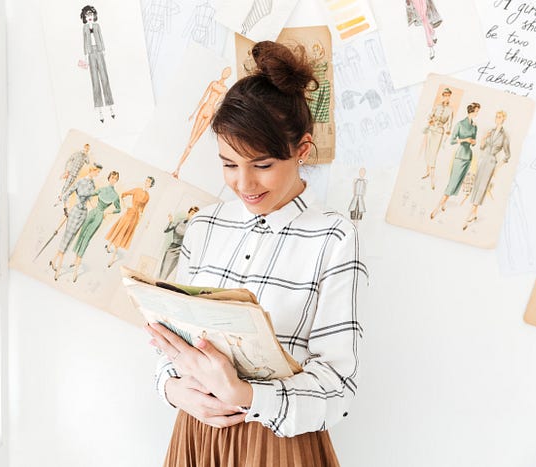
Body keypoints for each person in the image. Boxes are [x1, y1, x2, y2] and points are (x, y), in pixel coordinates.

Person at [146, 41, 368, 466]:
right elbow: (172, 347)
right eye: (229, 164)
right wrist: (173, 390)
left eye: (262, 165)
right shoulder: (204, 226)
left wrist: (245, 395)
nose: (244, 184)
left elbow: (337, 388)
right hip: (196, 435)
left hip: (276, 445)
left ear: (302, 150)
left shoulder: (333, 237)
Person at [172, 67, 231, 178]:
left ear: (228, 76)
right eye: (225, 71)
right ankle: (177, 168)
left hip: (210, 112)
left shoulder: (225, 89)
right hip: (203, 109)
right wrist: (193, 113)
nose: (225, 74)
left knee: (193, 142)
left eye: (228, 73)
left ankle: (177, 169)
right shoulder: (213, 83)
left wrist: (213, 120)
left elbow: (218, 106)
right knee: (190, 140)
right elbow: (203, 97)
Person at [50, 164, 102, 281]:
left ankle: (53, 261)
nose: (98, 174)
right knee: (67, 238)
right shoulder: (80, 181)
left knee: (70, 239)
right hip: (75, 212)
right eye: (97, 172)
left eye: (99, 173)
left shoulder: (93, 184)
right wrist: (66, 209)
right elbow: (66, 195)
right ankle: (58, 270)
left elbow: (89, 199)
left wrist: (97, 211)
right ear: (92, 170)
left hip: (83, 214)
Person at [430, 102, 480, 220]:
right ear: (471, 111)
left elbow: (474, 142)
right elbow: (452, 141)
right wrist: (464, 140)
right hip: (460, 156)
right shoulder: (460, 124)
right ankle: (437, 207)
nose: (477, 113)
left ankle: (443, 203)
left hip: (468, 157)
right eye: (476, 111)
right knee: (452, 183)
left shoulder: (474, 126)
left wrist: (473, 142)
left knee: (457, 183)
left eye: (478, 111)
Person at [70, 170, 121, 282]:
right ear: (109, 178)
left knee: (87, 238)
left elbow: (119, 209)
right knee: (82, 233)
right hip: (92, 212)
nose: (113, 180)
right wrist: (90, 201)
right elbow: (89, 194)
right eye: (112, 177)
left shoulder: (115, 196)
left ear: (117, 180)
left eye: (115, 178)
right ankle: (75, 261)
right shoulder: (102, 189)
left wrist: (107, 212)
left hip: (99, 216)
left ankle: (76, 269)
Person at [463, 110, 510, 230]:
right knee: (477, 185)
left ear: (503, 119)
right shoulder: (491, 131)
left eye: (500, 117)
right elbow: (482, 147)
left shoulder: (504, 136)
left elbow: (507, 155)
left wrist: (497, 168)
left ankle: (469, 215)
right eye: (496, 116)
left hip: (491, 163)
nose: (497, 118)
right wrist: (484, 138)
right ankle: (474, 213)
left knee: (482, 187)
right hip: (482, 159)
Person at [104, 176, 155, 267]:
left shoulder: (148, 196)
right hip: (128, 213)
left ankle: (109, 248)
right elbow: (123, 194)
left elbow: (142, 209)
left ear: (151, 185)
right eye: (146, 181)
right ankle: (112, 256)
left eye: (149, 182)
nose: (147, 183)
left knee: (123, 233)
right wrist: (125, 205)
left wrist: (139, 220)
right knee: (119, 230)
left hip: (135, 218)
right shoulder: (137, 190)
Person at [78, 5, 115, 123]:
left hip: (99, 52)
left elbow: (101, 37)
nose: (89, 16)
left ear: (94, 15)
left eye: (91, 14)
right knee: (95, 79)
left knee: (104, 77)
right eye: (87, 15)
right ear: (84, 17)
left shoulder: (97, 26)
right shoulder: (84, 28)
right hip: (90, 54)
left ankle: (110, 105)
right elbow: (84, 41)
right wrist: (85, 54)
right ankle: (99, 109)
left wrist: (103, 49)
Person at [421, 88, 453, 190]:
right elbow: (429, 116)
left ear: (449, 97)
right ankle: (427, 172)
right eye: (445, 95)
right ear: (442, 96)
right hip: (431, 130)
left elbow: (450, 123)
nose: (446, 97)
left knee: (434, 154)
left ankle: (432, 178)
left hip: (439, 132)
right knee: (428, 151)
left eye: (448, 96)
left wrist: (448, 132)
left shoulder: (450, 110)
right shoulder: (437, 106)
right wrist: (430, 120)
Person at [157, 206, 200, 280]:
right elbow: (166, 230)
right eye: (192, 213)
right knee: (164, 272)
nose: (193, 216)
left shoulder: (194, 227)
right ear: (188, 213)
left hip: (183, 251)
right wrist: (171, 222)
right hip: (172, 248)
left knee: (178, 275)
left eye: (195, 215)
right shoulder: (180, 222)